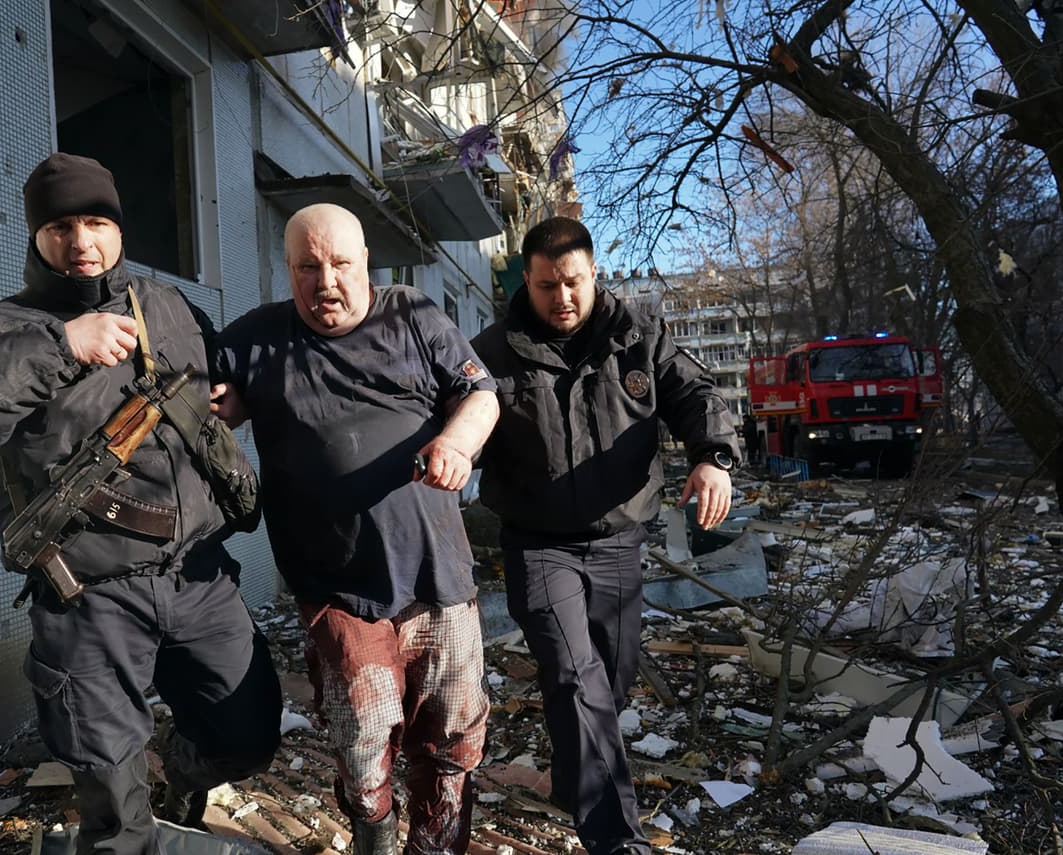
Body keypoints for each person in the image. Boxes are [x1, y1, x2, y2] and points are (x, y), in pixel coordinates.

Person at [0, 153, 282, 853]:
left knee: (246, 736)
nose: (81, 242)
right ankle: (131, 815)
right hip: (87, 599)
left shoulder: (168, 305)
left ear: (119, 228)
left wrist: (235, 395)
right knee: (114, 816)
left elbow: (218, 370)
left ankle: (180, 776)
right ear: (37, 236)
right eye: (61, 225)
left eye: (97, 221)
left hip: (198, 578)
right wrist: (58, 346)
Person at [211, 203, 499, 854]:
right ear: (287, 269)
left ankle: (437, 842)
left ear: (365, 260)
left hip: (438, 578)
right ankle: (373, 825)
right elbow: (192, 393)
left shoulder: (415, 315)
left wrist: (456, 441)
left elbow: (482, 394)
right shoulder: (260, 338)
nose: (326, 281)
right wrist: (209, 407)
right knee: (364, 731)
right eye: (307, 266)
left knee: (453, 732)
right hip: (337, 588)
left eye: (340, 263)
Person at [470, 216, 740, 855]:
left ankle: (573, 781)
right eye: (545, 286)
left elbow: (697, 395)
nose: (561, 298)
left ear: (593, 274)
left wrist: (713, 457)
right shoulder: (491, 352)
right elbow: (451, 420)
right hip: (538, 546)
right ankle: (617, 838)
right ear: (526, 282)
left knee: (608, 684)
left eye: (572, 283)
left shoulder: (639, 337)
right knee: (573, 673)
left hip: (620, 542)